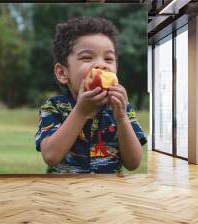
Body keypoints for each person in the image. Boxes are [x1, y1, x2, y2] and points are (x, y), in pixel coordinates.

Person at [35, 16, 147, 174]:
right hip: (65, 193)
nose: (101, 65)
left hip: (107, 194)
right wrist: (81, 111)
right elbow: (51, 156)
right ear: (62, 72)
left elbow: (133, 163)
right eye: (87, 57)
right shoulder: (54, 107)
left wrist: (121, 117)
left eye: (108, 58)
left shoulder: (122, 107)